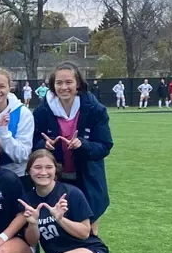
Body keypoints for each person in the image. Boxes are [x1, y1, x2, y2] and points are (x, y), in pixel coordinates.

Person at [32, 62, 112, 235]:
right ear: (53, 86)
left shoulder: (95, 110)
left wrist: (83, 145)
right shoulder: (41, 112)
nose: (64, 87)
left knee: (88, 232)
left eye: (69, 82)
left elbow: (105, 146)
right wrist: (42, 145)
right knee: (58, 231)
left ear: (78, 85)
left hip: (88, 179)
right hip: (56, 180)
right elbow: (33, 142)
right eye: (59, 83)